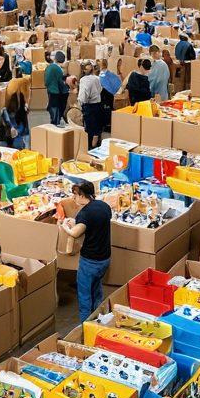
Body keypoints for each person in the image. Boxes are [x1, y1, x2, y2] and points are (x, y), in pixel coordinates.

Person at [59, 181, 112, 320]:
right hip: (105, 258)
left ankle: (85, 326)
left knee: (84, 295)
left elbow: (75, 233)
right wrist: (77, 222)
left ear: (82, 195)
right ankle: (99, 318)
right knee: (96, 289)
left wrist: (65, 225)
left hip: (90, 261)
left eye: (75, 195)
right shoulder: (104, 206)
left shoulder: (85, 213)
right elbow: (96, 225)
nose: (73, 198)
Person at [77, 61, 104, 149]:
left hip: (89, 106)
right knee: (97, 126)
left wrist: (80, 104)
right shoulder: (97, 78)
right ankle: (97, 145)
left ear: (83, 70)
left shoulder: (83, 80)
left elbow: (83, 95)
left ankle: (90, 147)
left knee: (89, 128)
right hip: (98, 105)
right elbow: (100, 89)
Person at [45, 51, 69, 125]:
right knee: (57, 108)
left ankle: (54, 123)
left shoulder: (49, 67)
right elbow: (60, 81)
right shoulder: (59, 69)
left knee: (53, 107)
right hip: (58, 91)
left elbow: (47, 80)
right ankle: (56, 123)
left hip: (51, 90)